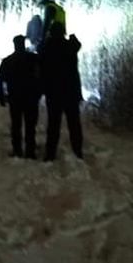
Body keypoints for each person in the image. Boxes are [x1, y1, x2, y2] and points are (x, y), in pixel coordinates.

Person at [38, 23, 84, 161]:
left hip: (54, 92)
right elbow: (77, 45)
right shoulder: (69, 46)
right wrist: (72, 37)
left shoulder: (47, 47)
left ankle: (50, 154)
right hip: (71, 91)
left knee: (53, 124)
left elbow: (40, 58)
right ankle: (77, 151)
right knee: (74, 124)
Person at [0, 35, 42, 159]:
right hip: (31, 98)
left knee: (16, 125)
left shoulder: (8, 61)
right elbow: (41, 76)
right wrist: (39, 93)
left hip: (15, 98)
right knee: (30, 126)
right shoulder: (33, 59)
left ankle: (17, 150)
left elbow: (0, 80)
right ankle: (30, 151)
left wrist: (1, 97)